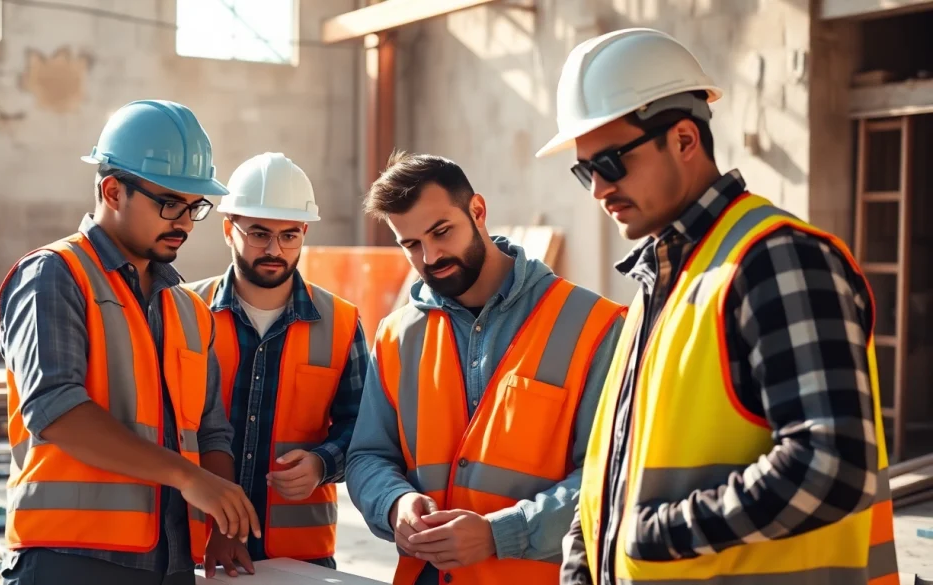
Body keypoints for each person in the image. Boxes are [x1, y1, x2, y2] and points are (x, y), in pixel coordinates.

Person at [534, 28, 900, 585]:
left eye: (610, 164)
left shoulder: (776, 260)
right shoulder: (662, 280)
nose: (598, 190)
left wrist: (654, 535)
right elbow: (617, 467)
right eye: (584, 171)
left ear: (684, 138)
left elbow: (831, 465)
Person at [0, 99, 259, 585]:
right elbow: (55, 408)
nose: (183, 221)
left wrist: (224, 520)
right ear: (113, 190)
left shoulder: (188, 309)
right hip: (68, 560)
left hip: (168, 563)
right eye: (169, 203)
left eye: (194, 206)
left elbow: (211, 430)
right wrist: (188, 477)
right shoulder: (55, 275)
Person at [345, 151, 627, 585]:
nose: (431, 255)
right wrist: (394, 503)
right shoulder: (396, 335)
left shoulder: (595, 325)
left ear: (477, 210)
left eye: (441, 232)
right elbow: (368, 455)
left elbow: (611, 475)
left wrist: (501, 534)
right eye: (411, 245)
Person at [183, 152, 367, 578]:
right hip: (194, 550)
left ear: (304, 232)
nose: (274, 249)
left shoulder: (342, 322)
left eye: (289, 236)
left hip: (300, 556)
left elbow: (362, 428)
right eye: (259, 233)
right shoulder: (185, 313)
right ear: (229, 229)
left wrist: (323, 462)